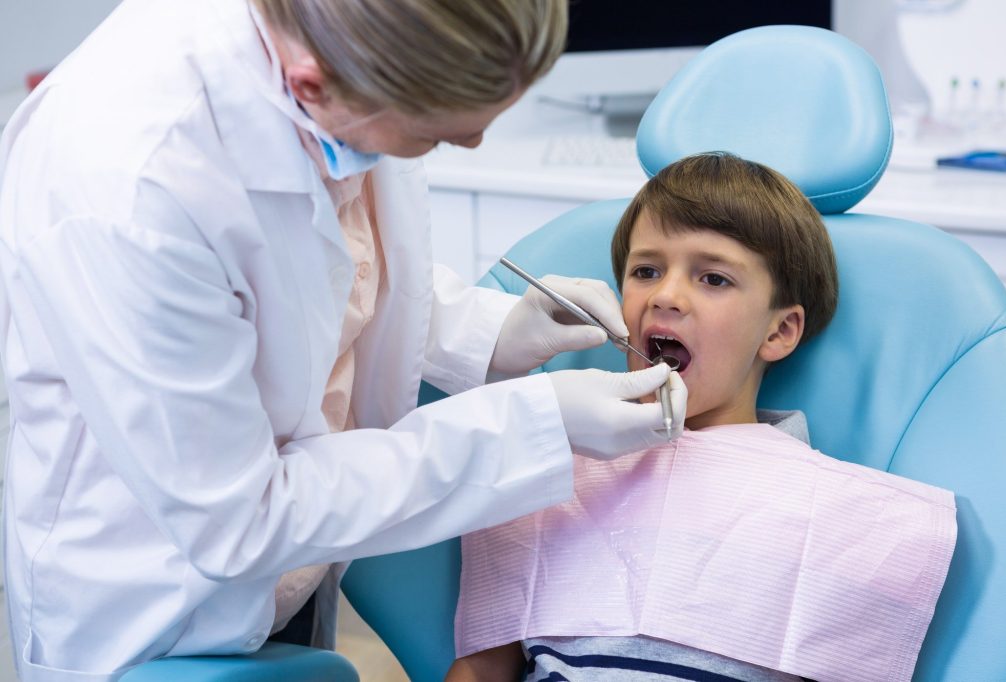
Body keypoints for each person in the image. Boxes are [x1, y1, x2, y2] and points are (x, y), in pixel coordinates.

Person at [0, 0, 683, 678]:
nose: (475, 143)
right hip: (164, 606)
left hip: (299, 565)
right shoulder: (131, 186)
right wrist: (537, 427)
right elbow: (238, 521)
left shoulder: (344, 67)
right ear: (310, 83)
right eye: (439, 135)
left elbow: (322, 270)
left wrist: (496, 328)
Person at [447, 153, 956, 681]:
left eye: (713, 279)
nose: (665, 295)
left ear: (779, 332)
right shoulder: (550, 475)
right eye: (646, 271)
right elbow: (482, 668)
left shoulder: (833, 517)